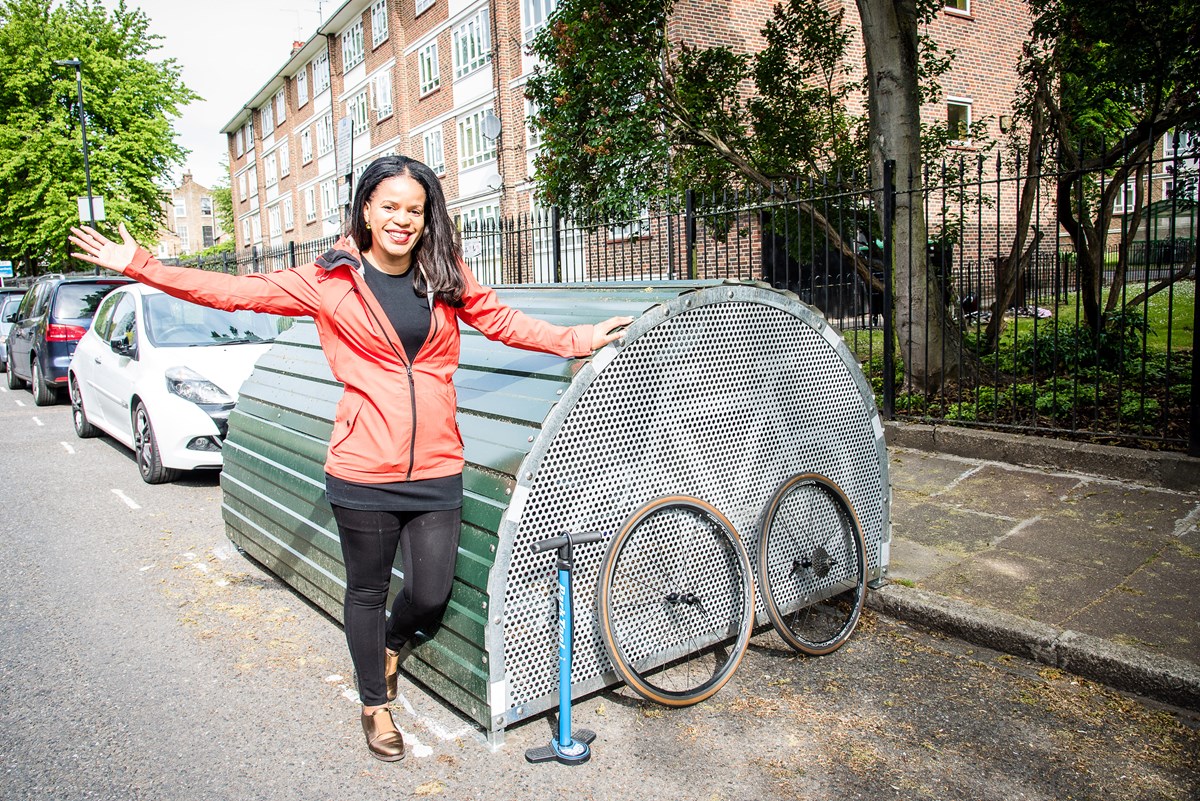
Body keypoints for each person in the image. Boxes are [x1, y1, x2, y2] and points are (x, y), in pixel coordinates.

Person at [70, 155, 632, 763]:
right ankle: (375, 705)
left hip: (437, 465)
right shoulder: (329, 279)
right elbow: (235, 292)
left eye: (414, 210)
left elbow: (500, 319)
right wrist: (141, 266)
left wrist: (576, 339)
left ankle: (390, 647)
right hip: (362, 468)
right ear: (365, 209)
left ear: (427, 218)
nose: (402, 219)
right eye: (389, 206)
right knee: (366, 590)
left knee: (430, 592)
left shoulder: (443, 274)